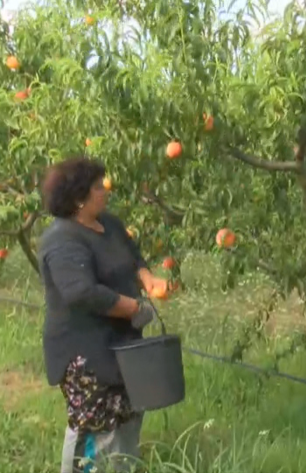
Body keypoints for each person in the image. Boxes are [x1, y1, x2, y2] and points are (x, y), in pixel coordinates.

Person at [37, 156, 167, 473]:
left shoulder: (109, 224)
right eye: (98, 186)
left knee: (128, 415)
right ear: (78, 197)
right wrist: (132, 306)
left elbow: (133, 256)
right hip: (84, 353)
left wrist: (148, 279)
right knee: (93, 427)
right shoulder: (61, 240)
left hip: (122, 343)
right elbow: (81, 292)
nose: (105, 190)